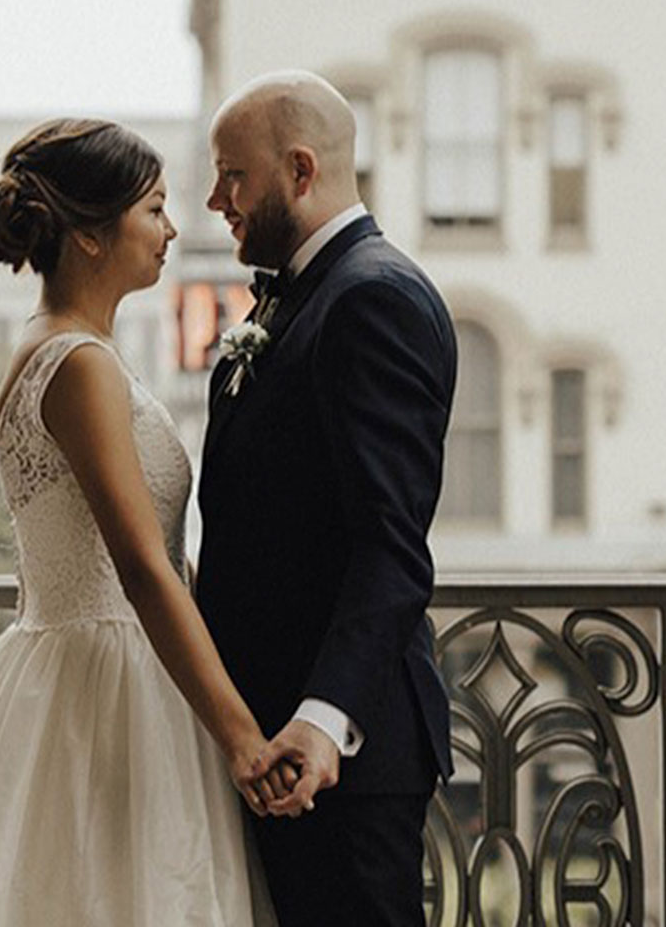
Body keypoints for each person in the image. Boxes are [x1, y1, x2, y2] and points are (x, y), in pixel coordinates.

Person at [0, 118, 283, 927]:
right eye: (153, 209)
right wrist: (241, 739)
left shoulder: (67, 348)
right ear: (91, 235)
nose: (171, 228)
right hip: (104, 685)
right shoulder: (78, 365)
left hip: (81, 669)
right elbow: (141, 564)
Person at [197, 71, 459, 926]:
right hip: (272, 746)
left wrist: (321, 718)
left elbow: (391, 546)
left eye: (233, 175)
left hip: (341, 757)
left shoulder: (371, 298)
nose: (215, 199)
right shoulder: (305, 293)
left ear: (300, 171)